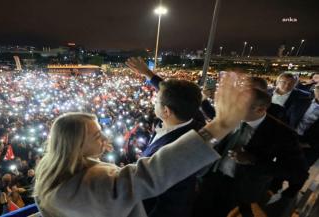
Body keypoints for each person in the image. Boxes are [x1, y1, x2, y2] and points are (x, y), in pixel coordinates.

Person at [33, 72, 253, 217]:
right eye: (98, 136)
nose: (106, 140)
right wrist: (220, 125)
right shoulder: (96, 180)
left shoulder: (50, 171)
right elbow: (153, 173)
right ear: (76, 144)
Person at [193, 88, 308, 217]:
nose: (231, 109)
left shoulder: (282, 134)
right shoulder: (229, 117)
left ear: (259, 110)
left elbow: (299, 173)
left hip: (241, 190)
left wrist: (253, 160)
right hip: (210, 178)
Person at [126, 57, 204, 217]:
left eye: (157, 100)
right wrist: (148, 74)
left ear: (166, 111)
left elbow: (171, 204)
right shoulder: (193, 116)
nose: (154, 101)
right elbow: (177, 94)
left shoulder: (176, 151)